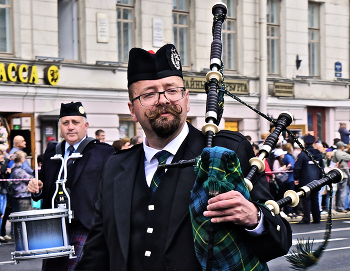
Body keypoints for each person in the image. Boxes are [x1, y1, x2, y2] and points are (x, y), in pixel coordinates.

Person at [75, 44, 292, 271]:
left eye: (172, 90)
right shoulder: (116, 166)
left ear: (186, 99)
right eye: (148, 94)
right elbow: (97, 252)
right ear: (132, 109)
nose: (163, 100)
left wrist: (253, 218)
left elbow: (280, 241)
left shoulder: (227, 152)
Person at [27, 102, 115, 271]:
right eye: (66, 123)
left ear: (86, 125)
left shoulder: (103, 152)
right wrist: (36, 190)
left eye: (75, 122)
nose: (70, 127)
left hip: (86, 225)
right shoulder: (52, 152)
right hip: (54, 228)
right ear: (60, 126)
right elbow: (43, 189)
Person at [294, 135, 324, 224]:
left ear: (304, 143)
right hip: (316, 179)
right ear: (313, 143)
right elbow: (321, 167)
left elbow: (297, 167)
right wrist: (320, 178)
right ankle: (317, 218)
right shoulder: (318, 154)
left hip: (305, 179)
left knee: (306, 199)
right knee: (315, 199)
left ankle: (306, 218)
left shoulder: (303, 154)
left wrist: (296, 178)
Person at [332, 141, 350, 213]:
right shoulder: (342, 153)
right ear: (341, 146)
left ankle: (337, 206)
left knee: (337, 191)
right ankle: (340, 207)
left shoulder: (335, 153)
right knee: (343, 192)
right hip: (344, 174)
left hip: (336, 174)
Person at [0, 149, 10, 243]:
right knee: (0, 215)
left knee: (2, 215)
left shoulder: (2, 164)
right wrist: (7, 160)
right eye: (1, 156)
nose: (3, 157)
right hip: (1, 191)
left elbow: (3, 174)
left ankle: (1, 234)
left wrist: (7, 173)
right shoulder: (2, 165)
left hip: (3, 191)